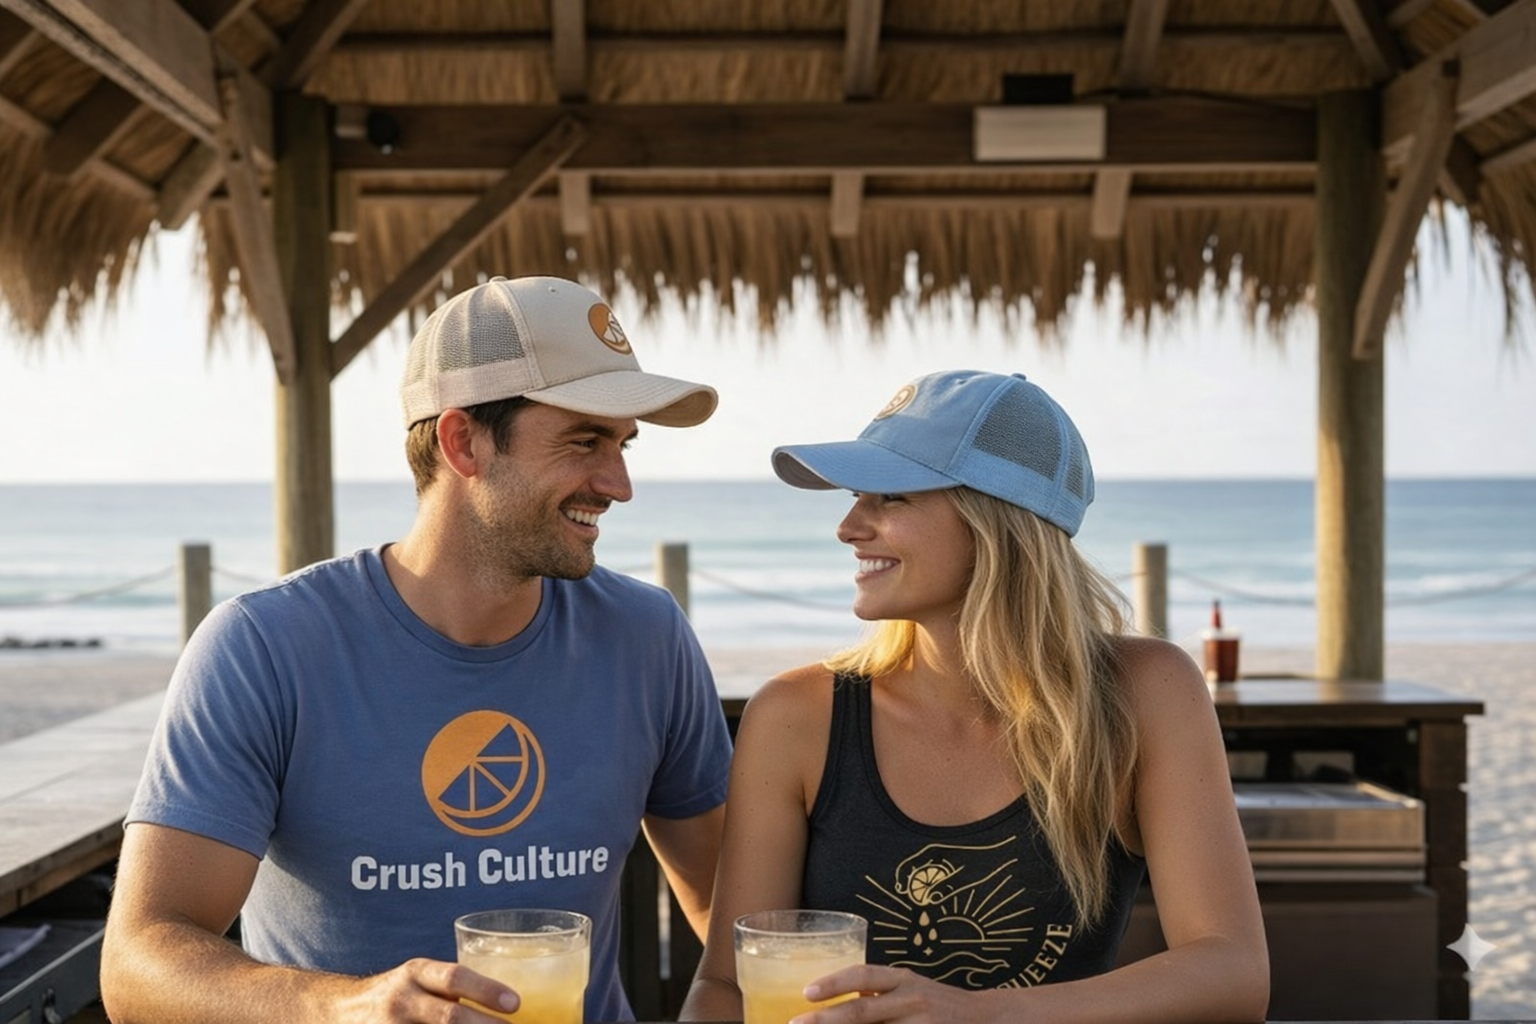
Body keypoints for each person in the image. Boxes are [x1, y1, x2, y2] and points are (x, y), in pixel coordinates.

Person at [101, 276, 735, 1024]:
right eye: (584, 440)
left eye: (624, 444)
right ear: (462, 441)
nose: (619, 483)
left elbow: (729, 917)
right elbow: (138, 964)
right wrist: (344, 1009)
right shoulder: (264, 647)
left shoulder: (646, 635)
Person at [682, 369, 1269, 1023]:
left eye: (890, 498)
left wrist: (981, 1013)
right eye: (855, 496)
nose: (848, 526)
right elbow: (727, 988)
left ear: (996, 517)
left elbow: (1231, 969)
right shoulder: (797, 716)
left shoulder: (1145, 692)